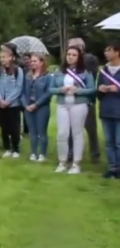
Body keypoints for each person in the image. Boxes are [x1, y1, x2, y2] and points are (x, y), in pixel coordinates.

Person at [50, 46, 95, 174]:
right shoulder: (59, 71)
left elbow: (92, 89)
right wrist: (60, 90)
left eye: (74, 55)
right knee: (62, 134)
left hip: (79, 104)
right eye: (68, 54)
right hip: (62, 104)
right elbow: (51, 89)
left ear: (79, 57)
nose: (70, 57)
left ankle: (76, 164)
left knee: (77, 133)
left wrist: (79, 90)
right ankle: (62, 162)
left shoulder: (85, 72)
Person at [67, 38, 100, 163]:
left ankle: (95, 154)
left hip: (87, 99)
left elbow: (91, 76)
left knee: (90, 128)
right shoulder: (68, 60)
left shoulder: (90, 59)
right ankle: (71, 153)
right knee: (70, 128)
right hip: (70, 98)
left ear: (80, 47)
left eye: (72, 47)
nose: (69, 51)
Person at [0, 43, 24, 158]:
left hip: (14, 105)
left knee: (14, 127)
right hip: (1, 104)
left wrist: (8, 100)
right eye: (1, 57)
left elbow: (18, 87)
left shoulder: (18, 70)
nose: (2, 59)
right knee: (4, 127)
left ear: (11, 57)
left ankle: (16, 149)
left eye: (4, 57)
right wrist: (0, 100)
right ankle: (7, 148)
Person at [21, 54, 52, 162]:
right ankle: (33, 153)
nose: (32, 63)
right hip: (28, 106)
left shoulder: (47, 76)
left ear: (42, 62)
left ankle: (42, 154)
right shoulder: (28, 76)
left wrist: (37, 104)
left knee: (41, 131)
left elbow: (48, 93)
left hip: (42, 107)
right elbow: (23, 92)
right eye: (31, 61)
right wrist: (25, 105)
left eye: (35, 61)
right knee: (32, 132)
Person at [97, 43, 120, 179]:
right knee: (109, 142)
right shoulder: (104, 70)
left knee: (119, 142)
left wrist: (117, 89)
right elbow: (98, 92)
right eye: (106, 50)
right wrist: (100, 89)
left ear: (117, 52)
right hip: (106, 109)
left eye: (109, 50)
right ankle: (112, 167)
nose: (106, 52)